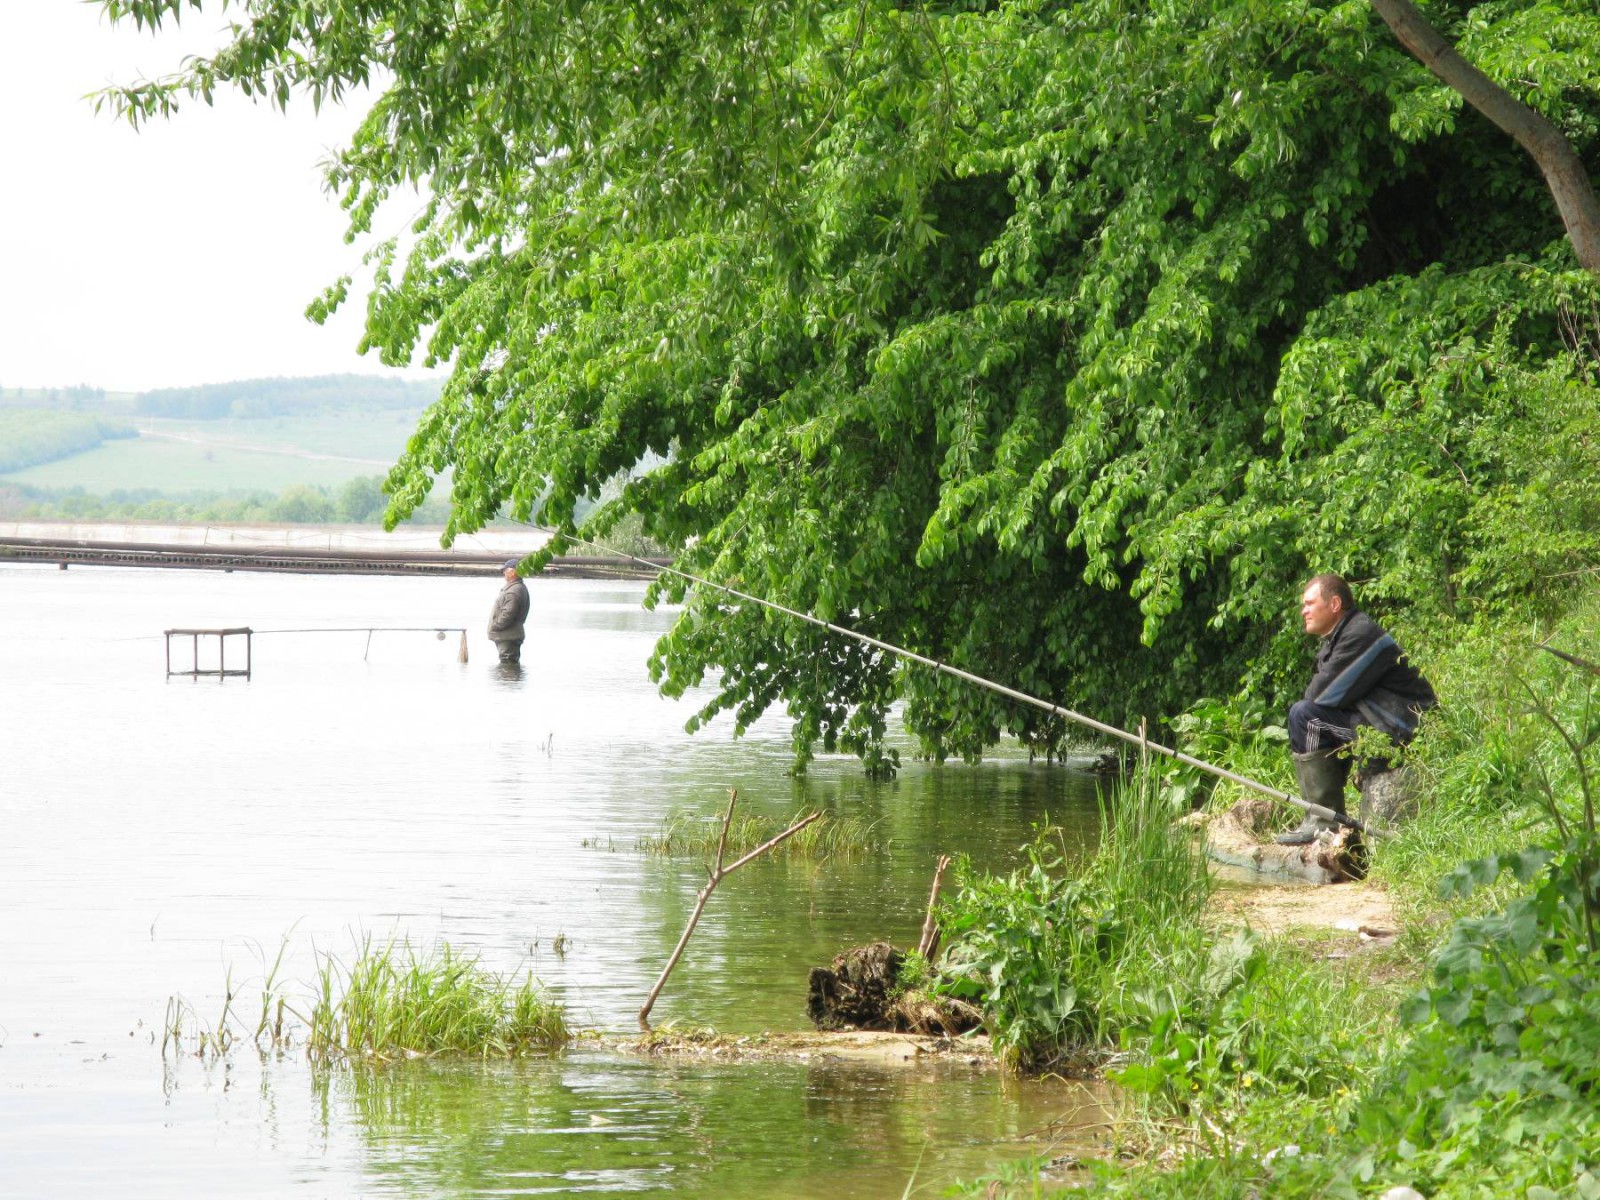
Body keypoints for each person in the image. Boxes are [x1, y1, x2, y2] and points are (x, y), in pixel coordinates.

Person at [1276, 573, 1436, 845]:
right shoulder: (1342, 635)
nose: (1303, 611)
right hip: (1383, 724)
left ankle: (1323, 821)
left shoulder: (1360, 634)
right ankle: (1326, 819)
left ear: (1335, 604)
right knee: (1308, 715)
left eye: (1309, 603)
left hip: (1402, 730)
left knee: (1305, 717)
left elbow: (1322, 695)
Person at [487, 558, 531, 664]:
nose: (504, 573)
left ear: (513, 572)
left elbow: (508, 614)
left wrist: (495, 626)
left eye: (506, 570)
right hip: (508, 636)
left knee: (508, 665)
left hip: (508, 637)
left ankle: (509, 681)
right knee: (508, 664)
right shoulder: (516, 588)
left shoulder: (514, 590)